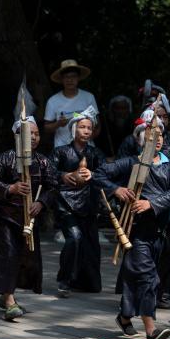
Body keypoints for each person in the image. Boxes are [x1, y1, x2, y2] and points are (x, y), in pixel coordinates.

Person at [93, 110, 170, 339]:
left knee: (138, 279)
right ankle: (151, 331)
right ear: (141, 138)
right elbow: (99, 174)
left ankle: (125, 317)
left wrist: (152, 203)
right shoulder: (130, 161)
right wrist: (117, 190)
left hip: (160, 233)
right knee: (148, 279)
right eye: (153, 132)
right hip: (134, 233)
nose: (159, 136)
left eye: (161, 132)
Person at [0, 116, 57, 320]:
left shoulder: (43, 161)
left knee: (26, 259)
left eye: (36, 134)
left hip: (29, 219)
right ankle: (9, 300)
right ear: (18, 136)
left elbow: (52, 187)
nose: (33, 137)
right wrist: (11, 188)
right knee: (7, 256)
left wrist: (41, 203)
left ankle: (7, 294)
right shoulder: (4, 158)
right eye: (29, 133)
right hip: (5, 217)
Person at [50, 106, 105, 298]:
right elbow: (50, 173)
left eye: (89, 128)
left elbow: (106, 174)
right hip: (65, 202)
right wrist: (64, 175)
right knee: (74, 238)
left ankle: (84, 281)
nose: (86, 131)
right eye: (82, 127)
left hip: (88, 203)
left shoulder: (96, 154)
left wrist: (93, 174)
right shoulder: (61, 152)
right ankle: (64, 280)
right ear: (74, 129)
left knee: (90, 243)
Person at [44, 59, 99, 148]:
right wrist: (58, 124)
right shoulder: (53, 101)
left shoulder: (88, 97)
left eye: (73, 76)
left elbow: (97, 125)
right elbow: (46, 128)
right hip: (62, 149)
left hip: (87, 148)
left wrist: (87, 140)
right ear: (62, 79)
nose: (70, 80)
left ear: (78, 78)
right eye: (66, 77)